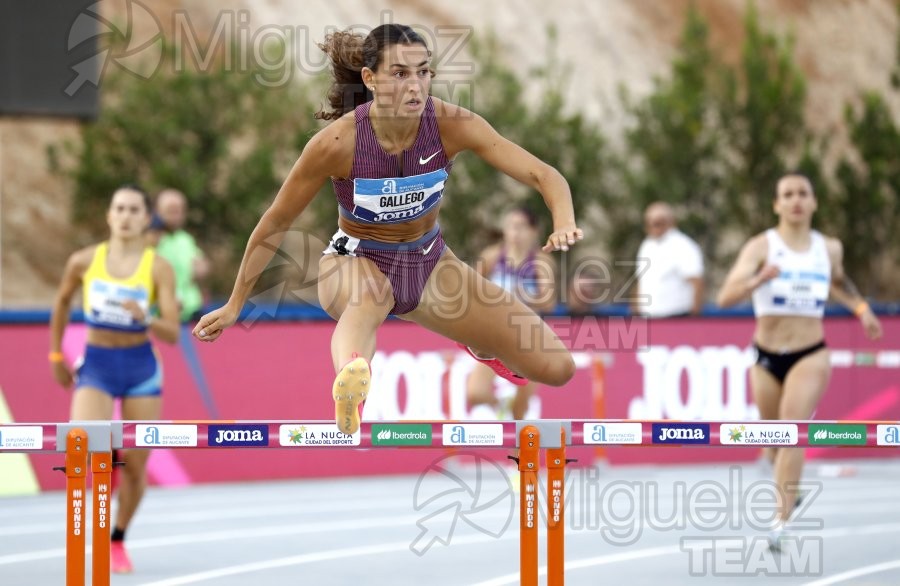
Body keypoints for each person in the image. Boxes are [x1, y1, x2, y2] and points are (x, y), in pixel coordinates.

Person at [192, 24, 581, 435]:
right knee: (371, 296)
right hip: (355, 261)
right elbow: (276, 221)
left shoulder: (452, 124)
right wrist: (236, 303)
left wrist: (564, 220)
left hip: (431, 264)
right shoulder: (337, 143)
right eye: (400, 74)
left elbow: (543, 174)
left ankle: (482, 347)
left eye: (423, 72)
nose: (415, 85)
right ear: (369, 78)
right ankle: (350, 382)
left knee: (557, 369)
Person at [716, 173, 882, 551]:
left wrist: (862, 309)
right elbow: (725, 296)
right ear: (776, 204)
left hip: (810, 352)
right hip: (766, 355)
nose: (795, 200)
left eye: (802, 194)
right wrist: (756, 281)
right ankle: (791, 488)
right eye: (787, 194)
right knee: (773, 438)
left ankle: (779, 521)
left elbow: (838, 281)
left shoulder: (829, 248)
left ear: (813, 202)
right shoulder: (761, 246)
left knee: (791, 430)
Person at [49, 185, 179, 573]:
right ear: (109, 215)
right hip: (98, 367)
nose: (125, 216)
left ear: (145, 218)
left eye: (133, 209)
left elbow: (172, 332)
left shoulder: (158, 267)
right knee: (84, 448)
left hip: (140, 368)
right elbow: (60, 301)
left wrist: (146, 317)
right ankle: (110, 453)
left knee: (137, 469)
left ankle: (118, 538)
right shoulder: (84, 260)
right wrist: (56, 354)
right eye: (118, 208)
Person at [465, 206, 556, 420]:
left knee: (521, 409)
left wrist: (522, 296)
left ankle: (518, 448)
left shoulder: (542, 262)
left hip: (529, 338)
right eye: (511, 226)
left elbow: (549, 303)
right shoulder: (492, 257)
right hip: (495, 337)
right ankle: (501, 407)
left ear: (533, 232)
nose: (515, 233)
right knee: (475, 393)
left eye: (521, 227)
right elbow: (471, 292)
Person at [633, 202, 704, 317]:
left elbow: (696, 281)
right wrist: (635, 310)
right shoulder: (647, 245)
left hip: (677, 316)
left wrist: (694, 316)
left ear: (670, 222)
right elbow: (641, 280)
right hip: (649, 316)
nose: (653, 227)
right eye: (649, 223)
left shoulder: (683, 245)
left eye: (658, 223)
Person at [152, 188, 210, 322]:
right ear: (157, 211)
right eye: (170, 211)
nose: (175, 216)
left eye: (179, 211)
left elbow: (200, 264)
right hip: (161, 312)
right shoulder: (152, 240)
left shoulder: (186, 239)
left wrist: (202, 268)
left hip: (192, 310)